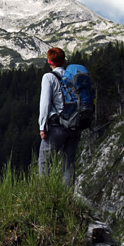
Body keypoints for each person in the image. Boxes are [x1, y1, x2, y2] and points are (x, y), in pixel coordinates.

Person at [38, 46, 82, 188]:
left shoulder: (48, 77)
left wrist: (42, 126)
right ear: (63, 61)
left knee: (44, 161)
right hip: (75, 124)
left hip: (57, 127)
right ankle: (67, 196)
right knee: (68, 162)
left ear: (50, 62)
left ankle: (43, 195)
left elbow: (45, 104)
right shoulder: (72, 77)